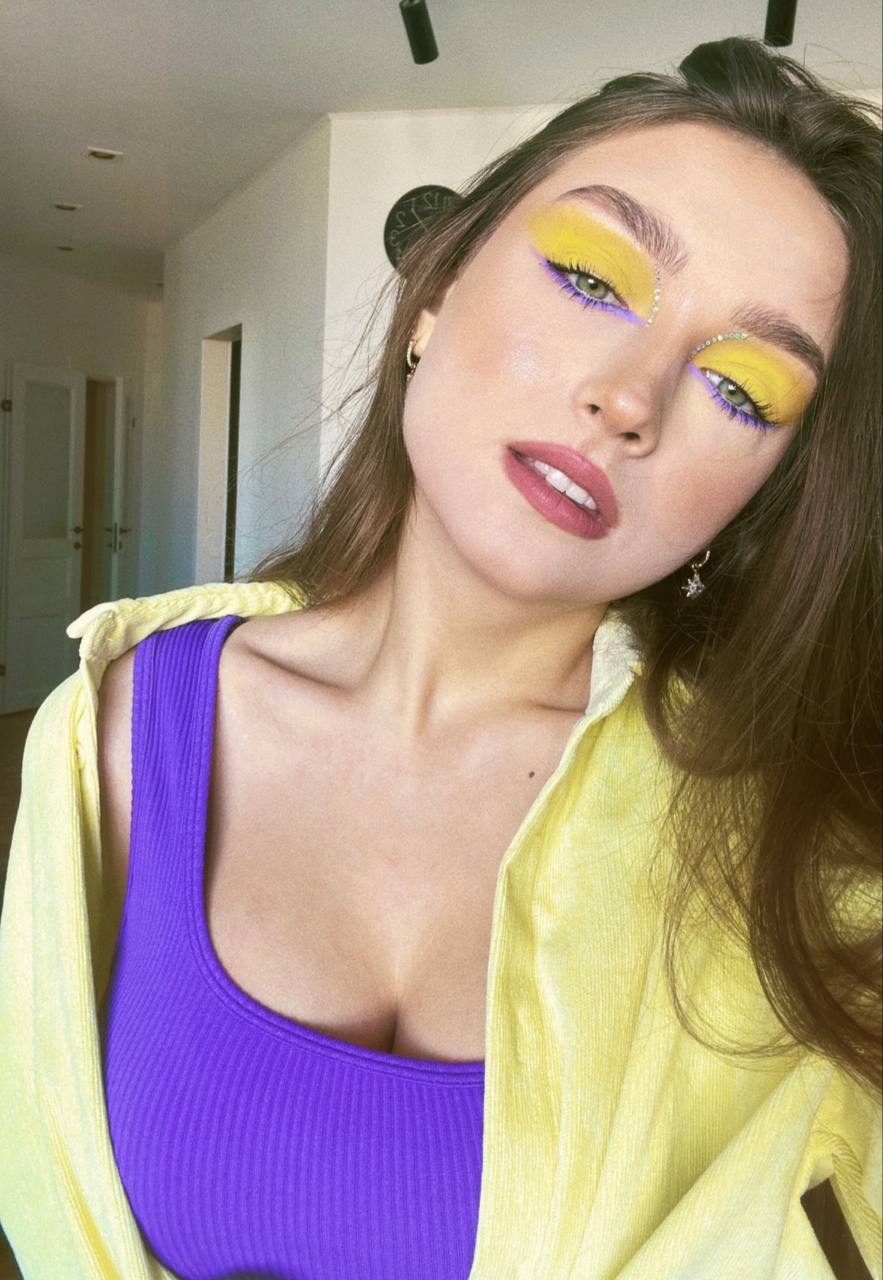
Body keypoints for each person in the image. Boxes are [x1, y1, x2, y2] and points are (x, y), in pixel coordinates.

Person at [1, 34, 880, 1280]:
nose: (631, 397)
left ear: (759, 500)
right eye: (591, 277)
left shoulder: (799, 863)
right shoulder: (118, 730)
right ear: (435, 297)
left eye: (743, 389)